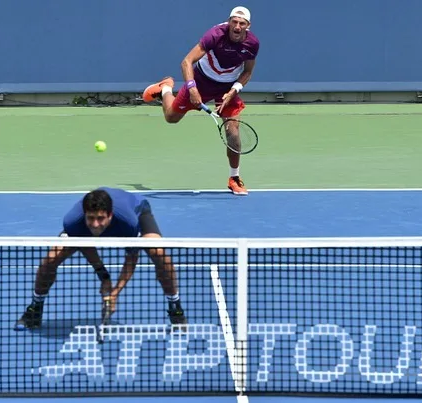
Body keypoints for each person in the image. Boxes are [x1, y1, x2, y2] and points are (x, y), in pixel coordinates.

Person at [14, 187, 186, 330]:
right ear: (84, 214)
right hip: (86, 229)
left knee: (159, 254)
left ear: (110, 215)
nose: (95, 225)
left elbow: (131, 258)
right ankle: (35, 308)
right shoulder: (73, 222)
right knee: (50, 260)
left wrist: (115, 293)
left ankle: (175, 306)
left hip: (138, 208)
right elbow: (86, 246)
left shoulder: (128, 222)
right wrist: (103, 276)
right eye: (91, 218)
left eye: (100, 218)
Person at [142, 6, 260, 196]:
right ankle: (165, 88)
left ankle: (234, 178)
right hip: (202, 80)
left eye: (242, 24)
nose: (237, 27)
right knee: (171, 117)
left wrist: (233, 91)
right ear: (229, 22)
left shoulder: (252, 44)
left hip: (227, 87)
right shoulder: (215, 35)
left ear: (248, 26)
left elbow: (247, 72)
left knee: (233, 132)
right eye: (234, 22)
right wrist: (192, 87)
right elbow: (187, 61)